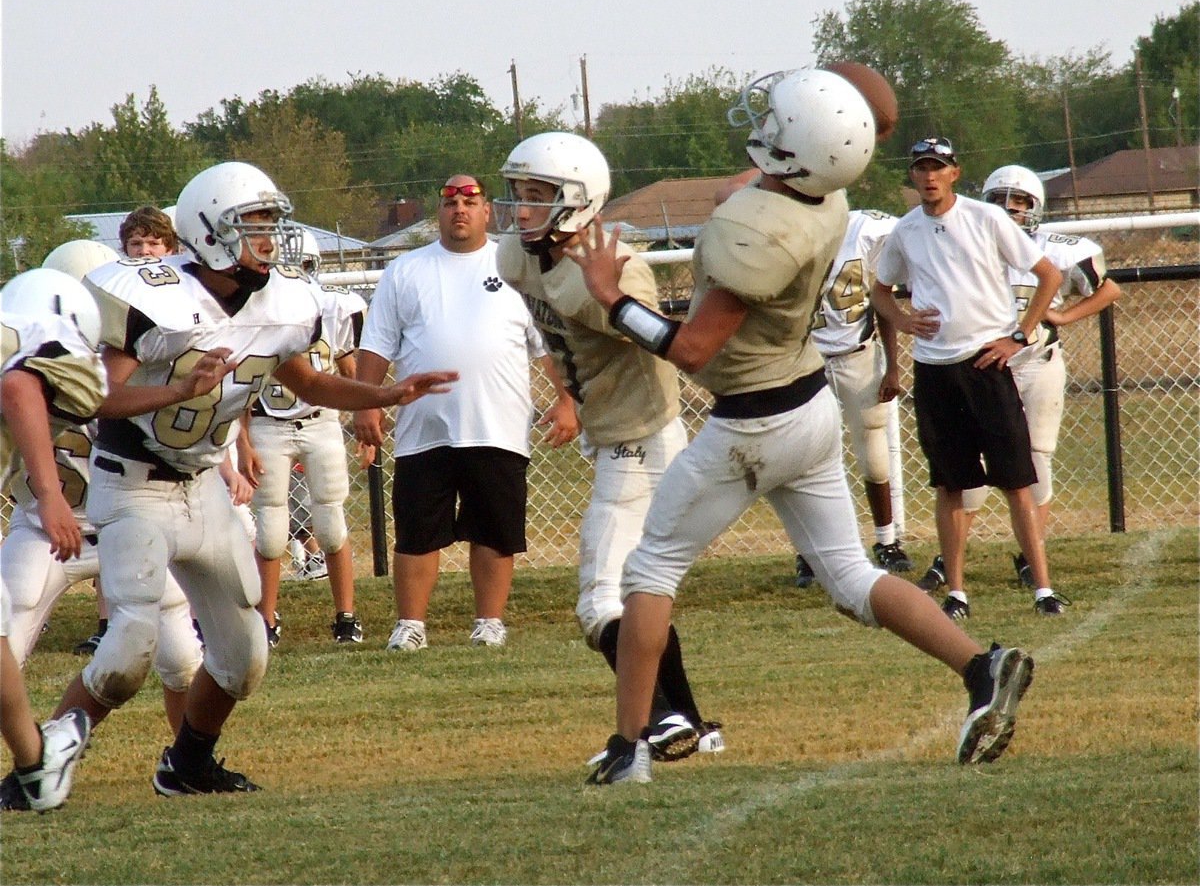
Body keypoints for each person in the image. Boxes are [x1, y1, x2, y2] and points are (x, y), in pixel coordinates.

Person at [569, 70, 1035, 784]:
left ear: (798, 151)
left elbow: (693, 350)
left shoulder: (758, 231)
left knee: (648, 571)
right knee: (850, 574)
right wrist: (834, 90)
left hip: (751, 425)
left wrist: (610, 297)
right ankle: (980, 666)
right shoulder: (828, 191)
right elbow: (850, 128)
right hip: (809, 402)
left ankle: (632, 746)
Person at [44, 160, 457, 797]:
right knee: (128, 649)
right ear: (210, 231)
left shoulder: (285, 300)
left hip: (204, 482)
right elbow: (92, 398)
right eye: (255, 225)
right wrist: (178, 389)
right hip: (132, 482)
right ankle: (40, 762)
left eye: (271, 224)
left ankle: (187, 765)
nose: (271, 239)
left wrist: (388, 392)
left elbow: (311, 382)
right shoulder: (150, 296)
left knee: (245, 656)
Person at [494, 132, 723, 764]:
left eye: (538, 196)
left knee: (601, 602)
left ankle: (657, 719)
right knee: (640, 590)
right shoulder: (517, 256)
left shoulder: (619, 267)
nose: (520, 210)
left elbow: (667, 343)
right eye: (518, 194)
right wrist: (569, 393)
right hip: (615, 437)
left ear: (577, 202)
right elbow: (557, 334)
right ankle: (693, 723)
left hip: (642, 444)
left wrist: (609, 295)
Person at [355, 174, 578, 651]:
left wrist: (566, 400)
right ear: (438, 212)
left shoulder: (515, 265)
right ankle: (410, 625)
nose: (460, 210)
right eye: (450, 202)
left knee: (494, 532)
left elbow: (548, 346)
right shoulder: (406, 270)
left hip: (497, 426)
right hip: (423, 427)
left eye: (470, 202)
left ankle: (489, 622)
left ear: (486, 212)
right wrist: (367, 403)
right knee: (417, 533)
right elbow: (376, 345)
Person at [0, 242, 201, 757]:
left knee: (180, 656)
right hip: (46, 530)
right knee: (9, 637)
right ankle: (33, 761)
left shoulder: (144, 361)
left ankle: (188, 758)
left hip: (125, 521)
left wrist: (180, 393)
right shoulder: (39, 356)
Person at [871, 139, 1069, 620]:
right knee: (951, 485)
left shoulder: (987, 218)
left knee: (1017, 481)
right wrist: (901, 321)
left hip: (988, 365)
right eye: (921, 168)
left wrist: (1018, 338)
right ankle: (956, 592)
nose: (929, 176)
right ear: (913, 177)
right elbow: (880, 290)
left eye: (938, 167)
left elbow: (1048, 276)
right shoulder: (906, 230)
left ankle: (1042, 589)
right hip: (936, 371)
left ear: (955, 173)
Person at [918, 165, 1122, 590]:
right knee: (965, 475)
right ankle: (949, 556)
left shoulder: (1058, 249)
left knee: (1036, 463)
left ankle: (1033, 557)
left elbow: (1109, 289)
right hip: (980, 369)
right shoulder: (967, 238)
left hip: (1036, 365)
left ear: (1036, 208)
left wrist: (1064, 315)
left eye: (1020, 201)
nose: (1009, 208)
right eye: (1000, 199)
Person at [714, 174, 910, 586]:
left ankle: (887, 542)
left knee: (873, 454)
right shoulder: (781, 236)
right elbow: (725, 199)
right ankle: (809, 552)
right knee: (803, 461)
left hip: (857, 354)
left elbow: (897, 265)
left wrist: (893, 364)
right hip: (804, 363)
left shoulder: (863, 227)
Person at [0, 267, 106, 811]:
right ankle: (38, 765)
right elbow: (19, 386)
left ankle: (36, 765)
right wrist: (48, 493)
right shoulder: (43, 337)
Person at [238, 229, 369, 646]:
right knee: (272, 529)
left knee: (330, 522)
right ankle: (266, 619)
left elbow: (349, 365)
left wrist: (366, 419)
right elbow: (241, 385)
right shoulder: (252, 306)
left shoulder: (337, 309)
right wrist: (242, 440)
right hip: (268, 424)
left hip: (320, 420)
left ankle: (346, 617)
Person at [71, 213, 179, 656]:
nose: (146, 252)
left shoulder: (186, 294)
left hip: (183, 429)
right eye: (137, 244)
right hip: (124, 425)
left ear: (171, 248)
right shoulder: (112, 293)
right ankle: (113, 620)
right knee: (118, 530)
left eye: (155, 243)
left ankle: (186, 621)